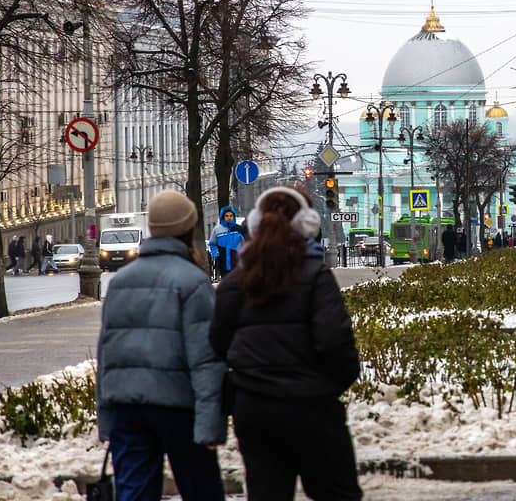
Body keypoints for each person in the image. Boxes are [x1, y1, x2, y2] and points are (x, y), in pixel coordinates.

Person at [210, 186, 362, 501]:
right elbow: (336, 344)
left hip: (254, 412)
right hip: (313, 409)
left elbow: (216, 345)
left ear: (253, 224)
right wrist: (326, 389)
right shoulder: (316, 275)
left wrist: (240, 392)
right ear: (307, 225)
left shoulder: (234, 283)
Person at [96, 190, 227, 500]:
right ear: (188, 230)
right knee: (202, 490)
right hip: (179, 408)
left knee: (134, 493)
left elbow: (107, 356)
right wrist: (211, 425)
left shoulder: (121, 281)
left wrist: (106, 419)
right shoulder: (193, 282)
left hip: (127, 409)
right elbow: (207, 360)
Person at [208, 206, 245, 280]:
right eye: (227, 216)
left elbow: (246, 244)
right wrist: (216, 255)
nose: (229, 218)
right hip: (223, 262)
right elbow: (212, 244)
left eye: (231, 216)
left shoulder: (239, 229)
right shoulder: (217, 230)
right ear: (223, 217)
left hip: (237, 261)